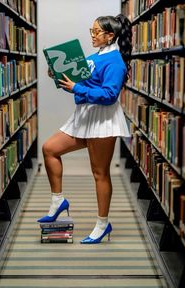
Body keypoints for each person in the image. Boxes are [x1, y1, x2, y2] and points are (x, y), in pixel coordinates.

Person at [38, 14, 132, 244]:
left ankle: (102, 224)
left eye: (96, 32)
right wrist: (60, 76)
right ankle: (58, 201)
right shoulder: (95, 56)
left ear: (110, 36)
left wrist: (78, 87)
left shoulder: (115, 62)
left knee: (99, 173)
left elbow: (110, 95)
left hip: (102, 120)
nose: (92, 36)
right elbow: (82, 83)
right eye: (91, 31)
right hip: (84, 116)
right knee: (49, 149)